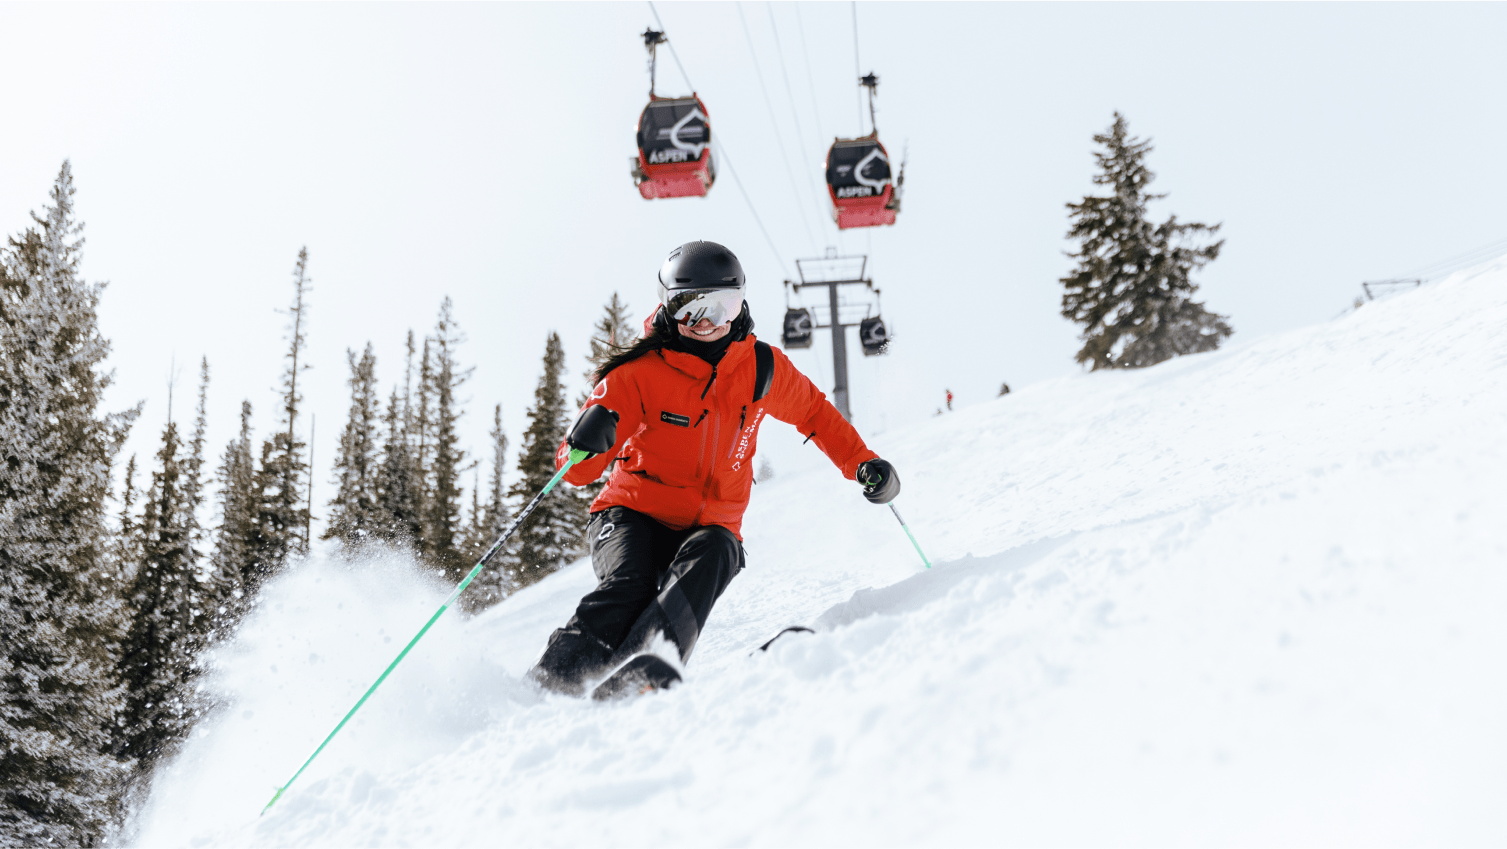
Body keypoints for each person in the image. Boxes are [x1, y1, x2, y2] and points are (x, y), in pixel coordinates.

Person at [527, 241, 901, 696]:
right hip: (631, 514)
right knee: (632, 582)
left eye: (721, 307)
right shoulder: (638, 373)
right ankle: (548, 685)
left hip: (710, 524)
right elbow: (576, 472)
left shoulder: (762, 368)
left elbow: (815, 414)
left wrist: (863, 463)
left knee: (718, 551)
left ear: (740, 304)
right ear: (668, 308)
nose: (705, 322)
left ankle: (645, 669)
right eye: (689, 309)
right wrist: (585, 443)